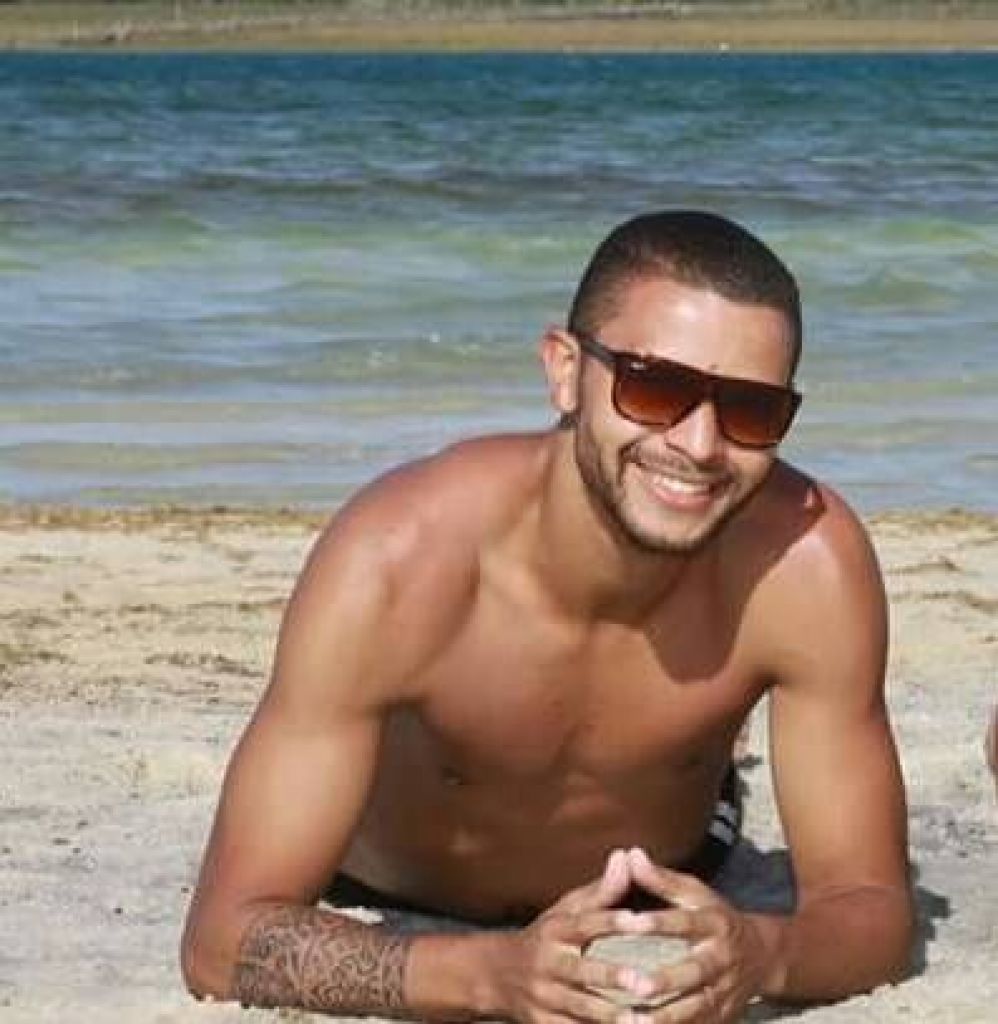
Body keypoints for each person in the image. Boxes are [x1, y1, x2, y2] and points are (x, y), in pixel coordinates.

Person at [181, 210, 913, 1022]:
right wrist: (488, 976)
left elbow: (873, 910)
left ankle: (707, 758)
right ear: (565, 371)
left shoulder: (806, 563)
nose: (701, 445)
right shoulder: (400, 559)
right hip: (389, 886)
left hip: (669, 867)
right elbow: (221, 942)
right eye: (655, 388)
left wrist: (761, 953)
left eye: (750, 410)